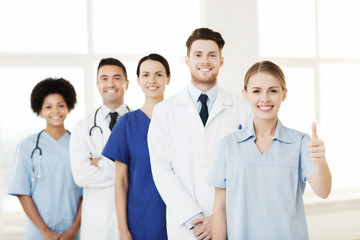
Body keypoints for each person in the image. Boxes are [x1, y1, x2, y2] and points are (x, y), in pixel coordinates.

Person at [208, 61, 332, 240]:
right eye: (256, 91)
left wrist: (320, 161)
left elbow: (323, 191)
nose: (265, 98)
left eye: (273, 90)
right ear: (245, 94)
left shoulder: (300, 143)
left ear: (284, 94)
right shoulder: (229, 145)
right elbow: (220, 207)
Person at [147, 28, 252, 240]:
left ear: (221, 61)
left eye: (212, 55)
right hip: (186, 226)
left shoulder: (242, 110)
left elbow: (248, 169)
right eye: (198, 55)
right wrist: (193, 216)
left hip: (229, 222)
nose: (205, 61)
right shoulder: (165, 111)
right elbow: (161, 170)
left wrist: (218, 218)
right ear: (187, 60)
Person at [102, 53, 170, 240]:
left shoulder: (179, 120)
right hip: (140, 220)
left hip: (178, 215)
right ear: (138, 80)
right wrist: (123, 229)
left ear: (168, 79)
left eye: (159, 74)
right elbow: (121, 181)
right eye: (146, 75)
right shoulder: (126, 124)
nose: (152, 80)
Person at [8, 78, 82, 240]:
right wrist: (45, 231)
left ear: (68, 107)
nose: (55, 111)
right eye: (48, 107)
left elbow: (87, 192)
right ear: (40, 111)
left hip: (74, 231)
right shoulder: (26, 147)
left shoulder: (80, 145)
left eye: (60, 105)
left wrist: (74, 230)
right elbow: (22, 192)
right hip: (39, 232)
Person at [70, 58, 131, 240]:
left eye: (117, 78)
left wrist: (99, 162)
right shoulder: (82, 127)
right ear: (97, 84)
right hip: (98, 221)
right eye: (104, 78)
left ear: (126, 83)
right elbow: (81, 176)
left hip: (133, 213)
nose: (110, 84)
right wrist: (125, 169)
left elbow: (147, 172)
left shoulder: (140, 123)